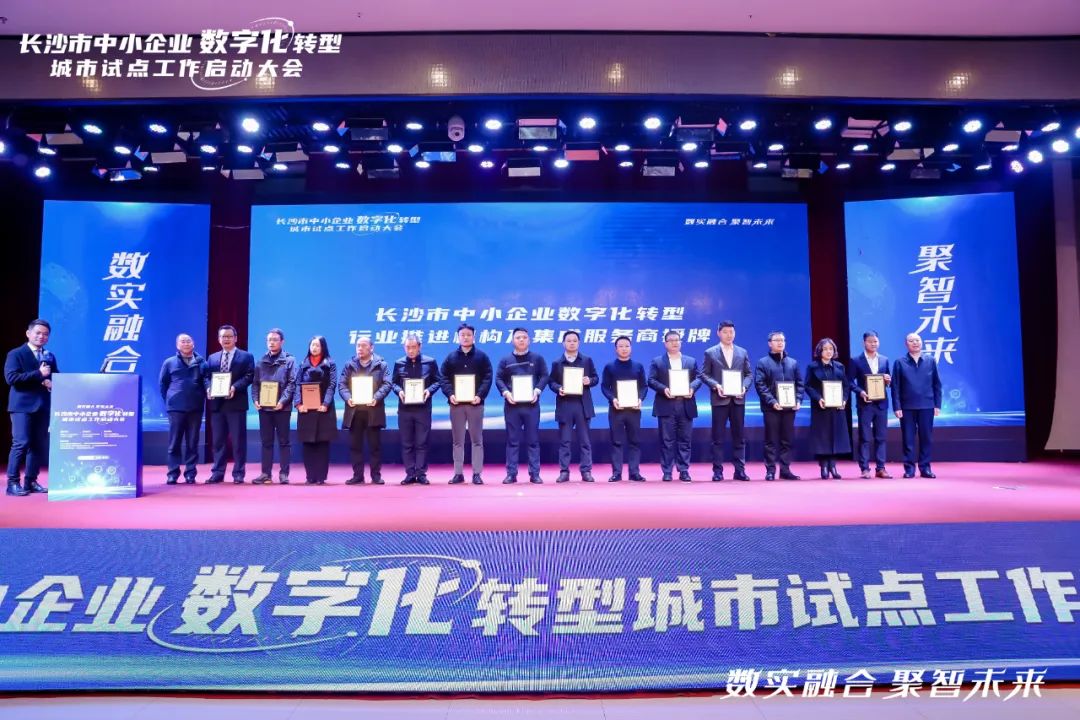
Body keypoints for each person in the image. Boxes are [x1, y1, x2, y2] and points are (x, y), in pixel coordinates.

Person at [4, 319, 57, 496]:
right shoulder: (16, 354)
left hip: (43, 405)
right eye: (38, 333)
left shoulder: (49, 355)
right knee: (21, 443)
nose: (41, 336)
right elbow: (11, 378)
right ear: (28, 333)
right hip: (22, 406)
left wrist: (51, 382)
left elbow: (56, 376)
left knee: (37, 445)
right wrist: (38, 374)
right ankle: (12, 483)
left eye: (45, 334)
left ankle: (31, 481)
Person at [699, 320, 753, 481]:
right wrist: (716, 386)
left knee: (739, 437)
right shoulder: (710, 352)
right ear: (718, 333)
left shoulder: (742, 352)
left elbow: (749, 374)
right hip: (719, 399)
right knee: (718, 438)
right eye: (725, 332)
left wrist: (744, 387)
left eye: (731, 332)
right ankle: (718, 471)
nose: (729, 335)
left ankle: (740, 470)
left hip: (738, 400)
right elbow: (704, 374)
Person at [440, 323, 492, 485]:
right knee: (458, 441)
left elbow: (488, 377)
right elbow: (443, 377)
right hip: (456, 404)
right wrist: (450, 394)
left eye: (469, 335)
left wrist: (479, 395)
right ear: (458, 337)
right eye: (462, 335)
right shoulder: (451, 358)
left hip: (475, 404)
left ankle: (477, 473)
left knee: (477, 440)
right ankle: (458, 473)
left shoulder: (482, 357)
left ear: (473, 337)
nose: (465, 337)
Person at [495, 327, 549, 484]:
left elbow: (544, 375)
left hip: (531, 405)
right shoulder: (505, 360)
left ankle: (535, 474)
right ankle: (511, 473)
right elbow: (498, 379)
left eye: (524, 337)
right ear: (513, 340)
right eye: (518, 337)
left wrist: (537, 390)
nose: (521, 340)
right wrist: (506, 393)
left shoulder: (537, 358)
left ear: (529, 340)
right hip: (512, 405)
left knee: (533, 440)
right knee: (513, 440)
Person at [648, 331, 701, 482]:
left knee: (685, 439)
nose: (674, 343)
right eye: (671, 340)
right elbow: (651, 380)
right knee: (667, 440)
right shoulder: (657, 361)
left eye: (677, 340)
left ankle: (683, 470)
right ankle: (667, 471)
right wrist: (664, 389)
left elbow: (699, 378)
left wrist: (691, 388)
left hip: (686, 404)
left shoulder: (690, 361)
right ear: (665, 343)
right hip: (666, 404)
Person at [339, 337, 392, 485]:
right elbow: (342, 385)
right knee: (355, 445)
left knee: (375, 446)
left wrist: (376, 397)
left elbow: (387, 384)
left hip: (373, 411)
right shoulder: (349, 365)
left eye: (363, 345)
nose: (360, 348)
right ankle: (358, 475)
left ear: (371, 348)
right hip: (354, 412)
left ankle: (376, 475)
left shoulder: (381, 365)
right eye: (358, 346)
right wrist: (348, 398)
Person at [205, 325, 254, 484]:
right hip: (217, 405)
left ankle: (238, 473)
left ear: (235, 338)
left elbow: (249, 376)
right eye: (223, 337)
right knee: (218, 441)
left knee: (238, 441)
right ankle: (218, 472)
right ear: (219, 339)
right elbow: (206, 377)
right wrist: (208, 388)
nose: (226, 339)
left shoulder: (246, 356)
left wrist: (234, 387)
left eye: (229, 336)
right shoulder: (212, 358)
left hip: (236, 403)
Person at [158, 333, 209, 485]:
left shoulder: (201, 362)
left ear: (193, 344)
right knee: (174, 442)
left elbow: (206, 381)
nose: (186, 343)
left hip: (195, 407)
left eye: (188, 341)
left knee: (193, 442)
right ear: (177, 345)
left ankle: (190, 474)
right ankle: (172, 473)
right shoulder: (169, 362)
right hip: (176, 408)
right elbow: (163, 384)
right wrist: (170, 400)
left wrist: (208, 390)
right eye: (183, 341)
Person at [549, 330, 599, 483]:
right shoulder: (557, 363)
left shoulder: (587, 360)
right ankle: (564, 471)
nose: (571, 343)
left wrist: (589, 381)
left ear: (579, 343)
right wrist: (559, 388)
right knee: (565, 441)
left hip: (582, 405)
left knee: (585, 441)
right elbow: (551, 382)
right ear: (563, 343)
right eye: (569, 341)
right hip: (565, 404)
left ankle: (586, 471)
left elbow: (596, 378)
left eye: (574, 341)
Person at [891, 332, 943, 479]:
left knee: (926, 438)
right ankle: (909, 469)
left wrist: (937, 404)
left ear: (922, 342)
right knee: (908, 439)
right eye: (911, 341)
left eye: (918, 340)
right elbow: (895, 387)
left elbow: (937, 384)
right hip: (906, 407)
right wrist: (897, 406)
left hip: (927, 405)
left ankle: (925, 468)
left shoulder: (930, 360)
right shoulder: (899, 362)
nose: (915, 343)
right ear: (906, 344)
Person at [754, 331, 804, 481]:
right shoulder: (763, 362)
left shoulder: (793, 363)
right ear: (770, 343)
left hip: (789, 408)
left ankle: (785, 470)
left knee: (787, 440)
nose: (780, 343)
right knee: (770, 440)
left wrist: (798, 400)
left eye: (782, 340)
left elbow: (800, 384)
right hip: (771, 408)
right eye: (777, 340)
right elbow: (760, 384)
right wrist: (772, 401)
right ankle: (770, 470)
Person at [391, 334, 440, 485]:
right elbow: (393, 383)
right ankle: (410, 473)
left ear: (419, 347)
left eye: (413, 347)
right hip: (404, 409)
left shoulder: (430, 362)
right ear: (404, 347)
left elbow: (438, 381)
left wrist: (429, 391)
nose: (411, 350)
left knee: (422, 442)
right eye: (408, 347)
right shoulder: (399, 363)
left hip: (423, 409)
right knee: (407, 443)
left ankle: (421, 473)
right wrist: (399, 391)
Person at [600, 335, 648, 483]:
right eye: (621, 346)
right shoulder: (610, 367)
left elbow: (644, 386)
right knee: (616, 441)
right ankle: (617, 473)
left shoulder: (638, 366)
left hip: (634, 409)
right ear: (616, 349)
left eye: (627, 346)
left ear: (631, 348)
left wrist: (640, 399)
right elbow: (604, 387)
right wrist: (613, 399)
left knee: (635, 441)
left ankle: (634, 472)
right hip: (616, 409)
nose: (624, 349)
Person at [252, 328, 296, 484]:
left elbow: (292, 383)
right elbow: (255, 384)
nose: (271, 343)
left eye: (275, 340)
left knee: (284, 442)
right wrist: (255, 400)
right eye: (269, 340)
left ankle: (284, 474)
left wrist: (282, 401)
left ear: (282, 342)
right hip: (264, 408)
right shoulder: (261, 361)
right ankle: (265, 474)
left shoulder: (289, 360)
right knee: (266, 442)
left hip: (282, 408)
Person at [805, 338, 852, 479]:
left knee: (835, 437)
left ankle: (833, 466)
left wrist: (844, 400)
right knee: (823, 438)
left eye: (831, 349)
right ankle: (824, 466)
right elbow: (808, 386)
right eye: (825, 349)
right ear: (820, 351)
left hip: (836, 408)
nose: (828, 352)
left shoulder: (839, 366)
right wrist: (818, 398)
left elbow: (846, 386)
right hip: (821, 407)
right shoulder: (812, 367)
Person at [847, 331, 892, 479]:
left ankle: (881, 468)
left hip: (881, 404)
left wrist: (888, 380)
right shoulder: (856, 360)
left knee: (881, 437)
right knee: (865, 438)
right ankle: (865, 468)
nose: (873, 344)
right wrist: (860, 392)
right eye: (870, 341)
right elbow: (849, 381)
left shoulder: (884, 360)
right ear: (864, 343)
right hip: (865, 404)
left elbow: (888, 381)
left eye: (876, 341)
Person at [294, 335, 338, 485]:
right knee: (308, 444)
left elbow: (332, 385)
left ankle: (320, 477)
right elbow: (297, 384)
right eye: (312, 345)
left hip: (323, 409)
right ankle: (310, 476)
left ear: (323, 347)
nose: (314, 348)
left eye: (317, 345)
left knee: (322, 444)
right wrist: (298, 404)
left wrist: (325, 403)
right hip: (306, 409)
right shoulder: (303, 363)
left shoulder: (330, 363)